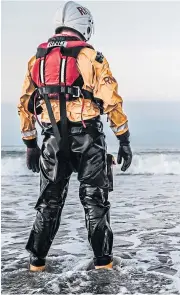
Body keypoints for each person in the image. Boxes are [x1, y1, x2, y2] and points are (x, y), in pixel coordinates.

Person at [18, 1, 133, 271]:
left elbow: (24, 103)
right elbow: (112, 102)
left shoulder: (37, 59)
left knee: (48, 203)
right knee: (95, 202)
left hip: (51, 139)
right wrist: (124, 140)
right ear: (84, 27)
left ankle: (36, 265)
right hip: (88, 138)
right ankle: (103, 265)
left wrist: (30, 144)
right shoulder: (92, 57)